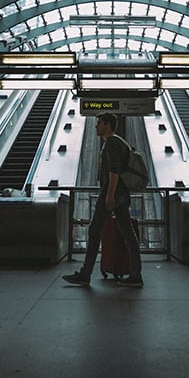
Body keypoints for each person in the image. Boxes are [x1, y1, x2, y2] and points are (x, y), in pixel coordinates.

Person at [63, 112, 143, 288]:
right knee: (128, 233)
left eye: (99, 123)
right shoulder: (119, 142)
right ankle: (136, 274)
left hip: (112, 191)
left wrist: (109, 196)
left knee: (94, 229)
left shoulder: (112, 143)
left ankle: (85, 273)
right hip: (122, 193)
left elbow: (114, 171)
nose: (96, 126)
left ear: (107, 124)